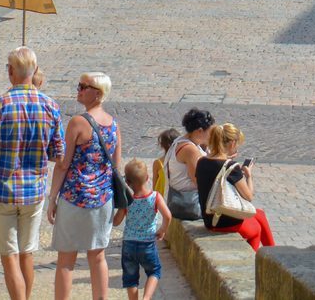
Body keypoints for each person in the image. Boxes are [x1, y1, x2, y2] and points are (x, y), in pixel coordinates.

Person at [0, 47, 64, 300]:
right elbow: (58, 154)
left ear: (11, 71)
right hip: (34, 190)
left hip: (3, 190)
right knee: (27, 253)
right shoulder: (51, 106)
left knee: (9, 255)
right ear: (34, 70)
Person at [49, 72, 122, 300]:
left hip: (75, 197)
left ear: (97, 94)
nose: (78, 89)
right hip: (102, 199)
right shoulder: (113, 125)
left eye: (83, 86)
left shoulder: (78, 123)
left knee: (66, 259)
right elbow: (115, 167)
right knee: (97, 256)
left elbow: (63, 165)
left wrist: (52, 198)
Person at [194, 123, 275, 252]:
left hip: (209, 218)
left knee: (259, 214)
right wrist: (248, 176)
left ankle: (273, 252)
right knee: (256, 229)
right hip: (223, 222)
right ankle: (258, 261)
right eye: (237, 144)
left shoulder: (201, 161)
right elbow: (248, 196)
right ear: (232, 143)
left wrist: (226, 160)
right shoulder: (231, 167)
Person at [115, 159, 169, 300]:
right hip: (147, 243)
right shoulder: (155, 197)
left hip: (129, 244)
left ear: (127, 182)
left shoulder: (127, 200)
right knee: (154, 271)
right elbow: (168, 216)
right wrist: (162, 229)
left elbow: (116, 222)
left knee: (130, 278)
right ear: (147, 178)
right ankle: (146, 298)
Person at [159, 108, 213, 221]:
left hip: (178, 198)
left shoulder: (180, 141)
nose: (211, 135)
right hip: (190, 204)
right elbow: (198, 180)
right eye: (210, 131)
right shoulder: (190, 150)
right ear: (199, 131)